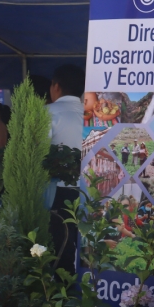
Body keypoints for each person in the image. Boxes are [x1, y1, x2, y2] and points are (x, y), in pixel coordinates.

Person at [46, 65, 85, 274]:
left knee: (61, 248)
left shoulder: (47, 113)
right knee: (87, 248)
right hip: (88, 190)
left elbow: (36, 154)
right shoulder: (88, 115)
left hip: (57, 192)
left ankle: (64, 298)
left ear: (56, 86)